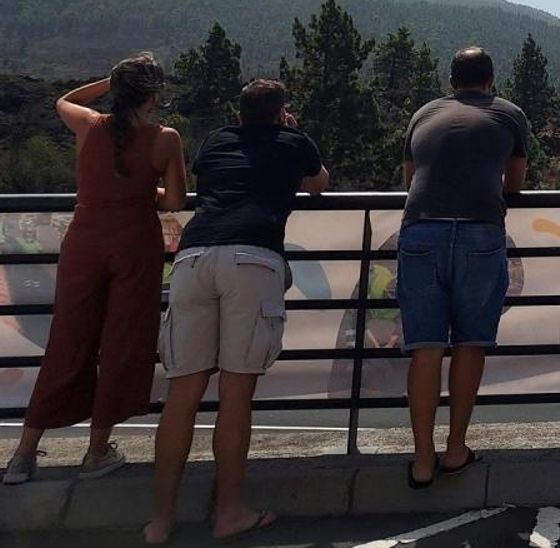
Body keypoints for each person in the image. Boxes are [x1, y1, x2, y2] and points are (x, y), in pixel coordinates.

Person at [141, 80, 328, 545]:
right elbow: (319, 184)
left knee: (181, 394)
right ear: (282, 112)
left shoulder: (217, 140)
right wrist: (292, 133)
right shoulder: (293, 141)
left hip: (193, 255)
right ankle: (229, 512)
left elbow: (210, 181)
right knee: (235, 394)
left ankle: (160, 521)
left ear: (239, 113)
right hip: (253, 257)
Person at [4, 54, 188, 485]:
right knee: (123, 342)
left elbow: (63, 99)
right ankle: (96, 450)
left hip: (84, 241)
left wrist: (109, 83)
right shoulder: (165, 139)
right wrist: (149, 187)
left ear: (118, 89)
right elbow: (175, 202)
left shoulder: (88, 124)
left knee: (68, 339)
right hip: (133, 244)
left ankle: (23, 455)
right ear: (155, 95)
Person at [398, 47, 530, 489]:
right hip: (478, 231)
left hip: (420, 231)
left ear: (451, 80)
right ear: (491, 80)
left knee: (425, 347)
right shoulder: (509, 115)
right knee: (470, 342)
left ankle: (421, 459)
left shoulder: (423, 114)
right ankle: (456, 448)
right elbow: (514, 183)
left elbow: (409, 177)